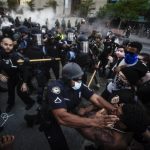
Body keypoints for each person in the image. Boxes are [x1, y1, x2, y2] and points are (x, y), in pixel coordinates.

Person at [43, 62, 119, 150]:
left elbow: (96, 99)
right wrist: (93, 122)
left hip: (69, 109)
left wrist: (114, 110)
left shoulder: (78, 84)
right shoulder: (55, 88)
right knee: (59, 145)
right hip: (51, 116)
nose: (79, 82)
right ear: (67, 79)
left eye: (80, 79)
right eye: (76, 79)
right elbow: (61, 117)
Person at [0, 37, 35, 112]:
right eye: (6, 44)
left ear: (13, 46)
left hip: (20, 76)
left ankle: (31, 102)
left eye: (10, 45)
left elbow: (25, 70)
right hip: (10, 76)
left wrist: (25, 83)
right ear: (1, 44)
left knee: (20, 92)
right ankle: (11, 103)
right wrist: (0, 75)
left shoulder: (15, 56)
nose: (8, 47)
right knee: (10, 91)